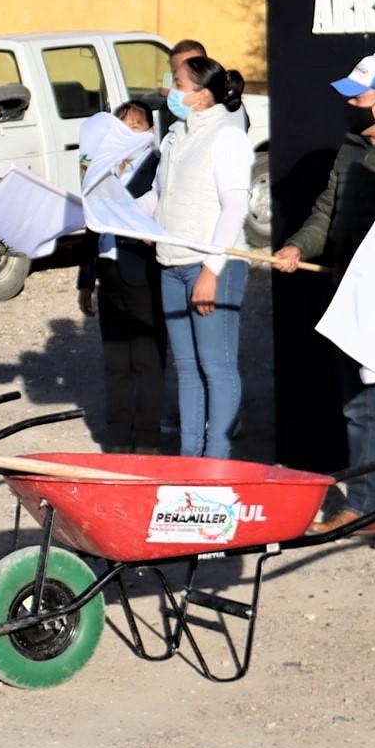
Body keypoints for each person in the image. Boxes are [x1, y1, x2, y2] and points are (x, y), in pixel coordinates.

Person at [274, 55, 375, 549]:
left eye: (359, 96)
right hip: (349, 297)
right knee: (357, 408)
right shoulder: (350, 148)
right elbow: (327, 210)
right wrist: (299, 245)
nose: (349, 104)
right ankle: (363, 506)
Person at [155, 54, 254, 458]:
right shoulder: (174, 136)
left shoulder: (227, 136)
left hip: (211, 266)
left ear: (203, 96)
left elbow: (235, 206)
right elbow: (161, 197)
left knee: (217, 367)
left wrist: (212, 270)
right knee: (186, 369)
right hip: (171, 264)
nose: (170, 90)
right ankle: (188, 457)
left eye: (178, 83)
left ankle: (216, 460)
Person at [76, 103, 167, 452]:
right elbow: (90, 223)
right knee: (116, 361)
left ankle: (146, 436)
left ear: (149, 130)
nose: (130, 133)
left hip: (142, 271)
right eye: (122, 127)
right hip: (109, 270)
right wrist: (86, 280)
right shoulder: (100, 168)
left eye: (137, 126)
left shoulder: (157, 165)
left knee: (146, 358)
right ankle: (116, 434)